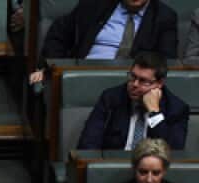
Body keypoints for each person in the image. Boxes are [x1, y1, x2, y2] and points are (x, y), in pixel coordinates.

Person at [31, 0, 178, 88]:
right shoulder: (94, 5)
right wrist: (51, 67)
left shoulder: (164, 17)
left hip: (132, 82)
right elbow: (59, 33)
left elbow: (166, 59)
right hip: (83, 74)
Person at [76, 52, 189, 152]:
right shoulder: (111, 98)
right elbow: (88, 143)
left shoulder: (176, 108)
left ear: (159, 83)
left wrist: (154, 112)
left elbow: (173, 152)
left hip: (151, 172)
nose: (134, 84)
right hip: (113, 167)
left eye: (143, 81)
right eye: (132, 76)